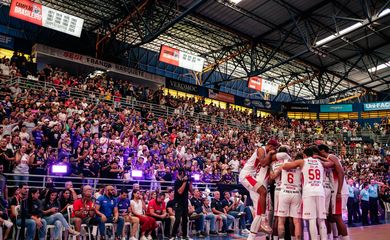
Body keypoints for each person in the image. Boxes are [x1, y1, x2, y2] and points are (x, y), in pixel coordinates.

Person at [282, 146, 327, 240]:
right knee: (321, 220)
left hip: (309, 192)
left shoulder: (302, 161)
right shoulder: (320, 162)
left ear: (304, 155)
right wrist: (320, 158)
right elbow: (331, 163)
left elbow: (285, 166)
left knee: (312, 219)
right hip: (320, 191)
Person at [239, 140, 278, 240]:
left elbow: (269, 179)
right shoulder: (261, 149)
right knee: (263, 191)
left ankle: (251, 237)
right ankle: (264, 220)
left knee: (259, 212)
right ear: (269, 146)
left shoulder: (267, 155)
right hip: (246, 175)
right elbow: (263, 163)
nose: (275, 150)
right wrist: (269, 153)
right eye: (274, 148)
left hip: (253, 178)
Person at [317, 144, 349, 240]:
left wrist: (339, 192)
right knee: (333, 216)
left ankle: (345, 238)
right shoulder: (328, 159)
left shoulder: (331, 156)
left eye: (318, 152)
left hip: (339, 190)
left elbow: (341, 172)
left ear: (322, 151)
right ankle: (339, 237)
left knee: (338, 217)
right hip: (335, 190)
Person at [275, 150, 302, 240]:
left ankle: (281, 239)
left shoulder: (284, 163)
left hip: (284, 192)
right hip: (296, 193)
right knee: (296, 222)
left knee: (281, 221)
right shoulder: (301, 167)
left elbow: (274, 175)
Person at [269, 146, 291, 238]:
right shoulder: (289, 162)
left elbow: (271, 178)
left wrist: (270, 168)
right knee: (289, 217)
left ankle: (274, 237)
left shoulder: (274, 164)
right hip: (288, 189)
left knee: (277, 216)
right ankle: (289, 236)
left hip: (277, 189)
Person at [170, 168, 193, 240]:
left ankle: (184, 236)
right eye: (184, 173)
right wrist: (185, 182)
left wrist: (191, 183)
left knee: (185, 220)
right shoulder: (177, 182)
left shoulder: (186, 182)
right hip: (178, 203)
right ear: (182, 173)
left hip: (185, 203)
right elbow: (180, 192)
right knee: (177, 220)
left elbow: (191, 191)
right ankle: (173, 235)